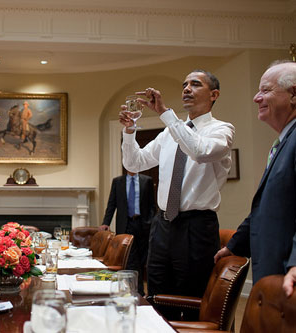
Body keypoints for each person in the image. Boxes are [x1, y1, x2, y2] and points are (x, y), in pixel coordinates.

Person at [119, 70, 235, 305]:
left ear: (214, 94)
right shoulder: (168, 133)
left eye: (195, 84)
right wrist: (130, 132)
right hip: (162, 226)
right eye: (184, 84)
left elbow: (200, 152)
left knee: (192, 298)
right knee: (157, 297)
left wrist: (164, 113)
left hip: (197, 227)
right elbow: (134, 163)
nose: (186, 88)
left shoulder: (222, 130)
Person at [214, 60, 296, 297]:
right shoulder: (284, 141)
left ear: (293, 95)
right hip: (274, 274)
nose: (256, 98)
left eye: (266, 90)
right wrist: (235, 246)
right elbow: (267, 206)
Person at [99, 169, 156, 296]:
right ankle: (135, 291)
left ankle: (139, 291)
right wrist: (105, 223)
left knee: (142, 259)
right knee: (130, 259)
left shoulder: (146, 180)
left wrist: (151, 222)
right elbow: (111, 204)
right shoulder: (118, 182)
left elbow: (152, 205)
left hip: (143, 224)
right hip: (125, 224)